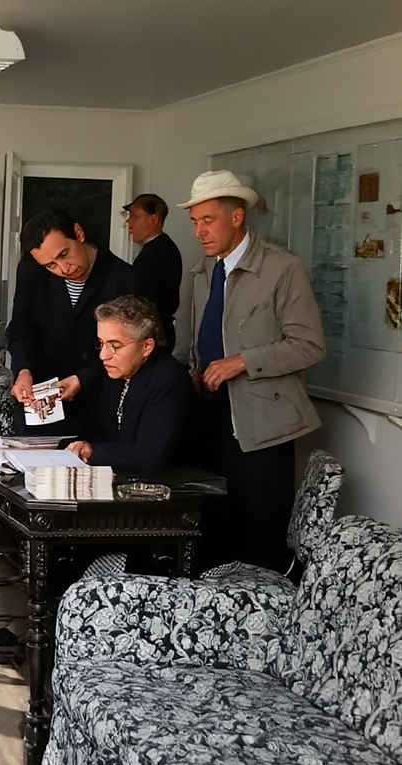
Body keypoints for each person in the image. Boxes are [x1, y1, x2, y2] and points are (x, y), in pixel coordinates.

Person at [178, 170, 326, 573]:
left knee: (259, 530)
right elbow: (194, 333)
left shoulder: (282, 268)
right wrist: (192, 369)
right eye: (195, 222)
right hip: (209, 413)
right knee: (212, 524)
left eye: (207, 221)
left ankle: (263, 620)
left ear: (238, 217)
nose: (199, 232)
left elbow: (309, 345)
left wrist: (242, 361)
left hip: (263, 421)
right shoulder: (203, 269)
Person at [5, 207, 143, 438]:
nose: (64, 269)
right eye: (50, 265)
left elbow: (134, 348)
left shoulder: (126, 279)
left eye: (64, 254)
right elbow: (21, 329)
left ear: (78, 233)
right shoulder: (31, 271)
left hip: (102, 407)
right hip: (41, 407)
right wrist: (23, 371)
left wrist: (83, 379)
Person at [63, 295, 192, 473]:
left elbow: (151, 454)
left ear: (147, 346)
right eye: (101, 343)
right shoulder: (117, 372)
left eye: (115, 346)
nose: (103, 355)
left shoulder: (169, 378)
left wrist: (93, 452)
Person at [123, 193, 183, 350]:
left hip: (154, 335)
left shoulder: (158, 252)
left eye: (135, 217)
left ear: (154, 219)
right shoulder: (158, 248)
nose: (129, 222)